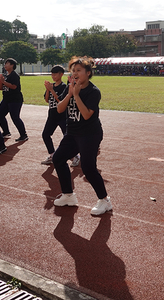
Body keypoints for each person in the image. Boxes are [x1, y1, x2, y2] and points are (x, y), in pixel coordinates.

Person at [52, 56, 111, 216]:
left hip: (90, 134)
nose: (75, 73)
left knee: (88, 167)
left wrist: (76, 95)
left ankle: (104, 201)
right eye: (73, 70)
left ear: (88, 73)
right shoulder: (71, 87)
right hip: (72, 132)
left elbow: (86, 115)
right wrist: (70, 93)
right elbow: (59, 109)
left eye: (79, 70)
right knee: (58, 159)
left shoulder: (93, 92)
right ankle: (68, 195)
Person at [41, 65, 67, 165]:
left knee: (67, 137)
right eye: (52, 74)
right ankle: (52, 155)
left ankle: (75, 156)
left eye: (55, 74)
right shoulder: (51, 85)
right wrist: (48, 89)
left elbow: (61, 100)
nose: (53, 76)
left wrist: (52, 90)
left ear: (61, 74)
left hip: (62, 115)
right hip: (52, 115)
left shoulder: (64, 87)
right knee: (46, 135)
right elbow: (47, 100)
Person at [0, 58, 28, 142]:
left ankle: (23, 134)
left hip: (15, 100)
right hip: (6, 99)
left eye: (7, 63)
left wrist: (4, 82)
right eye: (5, 63)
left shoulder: (15, 75)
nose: (5, 65)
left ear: (12, 65)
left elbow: (14, 86)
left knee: (15, 117)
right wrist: (1, 81)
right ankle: (6, 132)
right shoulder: (6, 75)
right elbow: (1, 88)